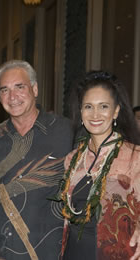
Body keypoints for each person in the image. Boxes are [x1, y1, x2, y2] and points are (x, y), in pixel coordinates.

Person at [0, 60, 73, 259]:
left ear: (35, 89)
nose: (12, 96)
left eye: (20, 87)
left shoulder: (65, 132)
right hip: (2, 251)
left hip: (50, 252)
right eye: (4, 90)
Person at [57, 71, 140, 260]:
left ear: (116, 110)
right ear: (81, 111)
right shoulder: (72, 160)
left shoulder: (134, 157)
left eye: (103, 106)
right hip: (73, 254)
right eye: (88, 107)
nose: (95, 114)